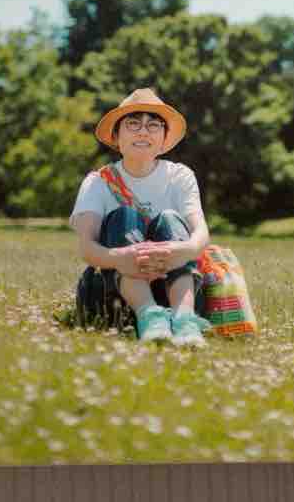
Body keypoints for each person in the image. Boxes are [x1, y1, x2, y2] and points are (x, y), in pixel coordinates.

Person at [70, 88, 213, 347]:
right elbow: (87, 248)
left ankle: (184, 320)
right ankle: (149, 315)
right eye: (133, 124)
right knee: (123, 216)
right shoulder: (98, 182)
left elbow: (200, 234)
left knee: (169, 218)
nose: (143, 131)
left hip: (174, 283)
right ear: (116, 136)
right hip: (117, 294)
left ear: (163, 138)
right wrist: (121, 257)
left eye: (153, 125)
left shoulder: (180, 176)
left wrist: (180, 250)